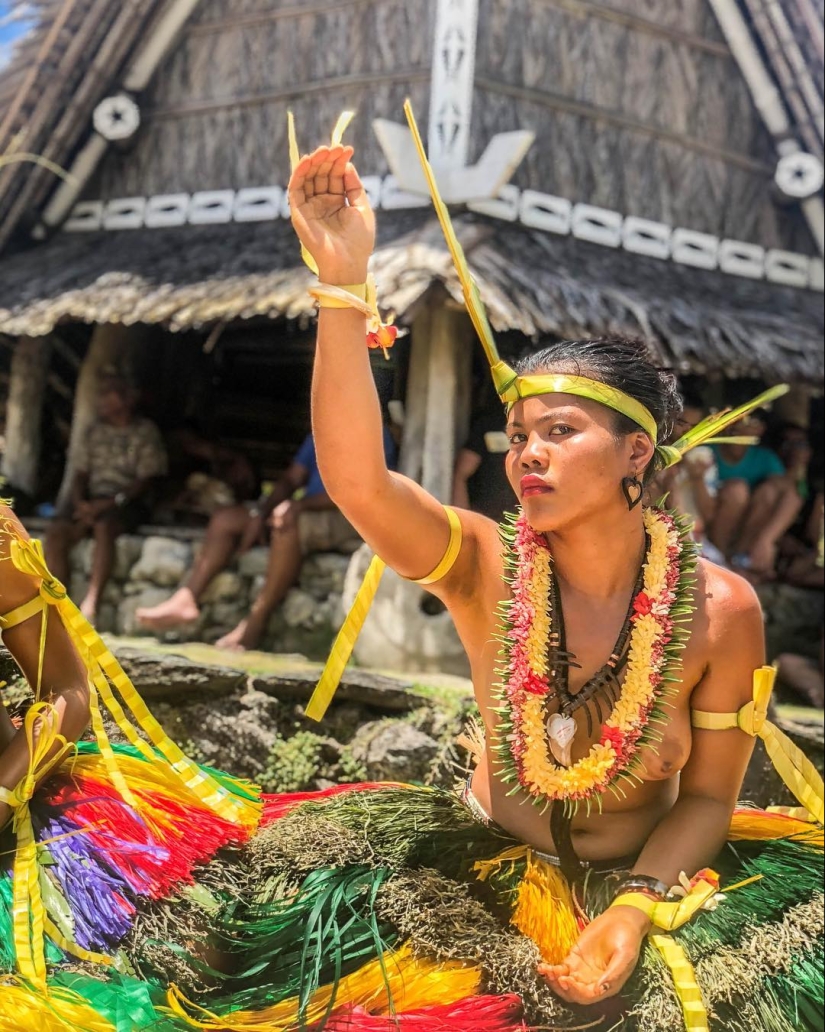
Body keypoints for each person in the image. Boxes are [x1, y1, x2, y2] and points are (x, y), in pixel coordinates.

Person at [137, 428, 396, 650]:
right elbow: (292, 478)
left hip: (347, 517)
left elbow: (362, 493)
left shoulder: (375, 433)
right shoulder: (320, 430)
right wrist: (263, 513)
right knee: (225, 519)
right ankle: (186, 599)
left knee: (289, 524)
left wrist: (297, 507)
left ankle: (255, 622)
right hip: (305, 510)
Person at [44, 375, 167, 623]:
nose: (101, 400)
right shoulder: (95, 432)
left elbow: (147, 480)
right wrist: (80, 503)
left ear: (126, 399)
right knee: (57, 532)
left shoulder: (145, 432)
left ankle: (91, 603)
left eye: (108, 393)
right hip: (93, 500)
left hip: (127, 503)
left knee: (104, 526)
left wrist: (112, 502)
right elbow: (81, 473)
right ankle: (56, 602)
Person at [707, 411, 805, 577]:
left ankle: (741, 560)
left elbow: (793, 496)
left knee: (769, 493)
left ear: (760, 429)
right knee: (736, 491)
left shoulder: (765, 459)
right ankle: (721, 560)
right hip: (709, 526)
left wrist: (766, 540)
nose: (737, 425)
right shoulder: (707, 451)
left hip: (744, 533)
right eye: (732, 418)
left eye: (746, 420)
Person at [453, 399, 515, 524]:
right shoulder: (490, 423)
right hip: (489, 522)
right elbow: (461, 474)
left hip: (531, 527)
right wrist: (464, 524)